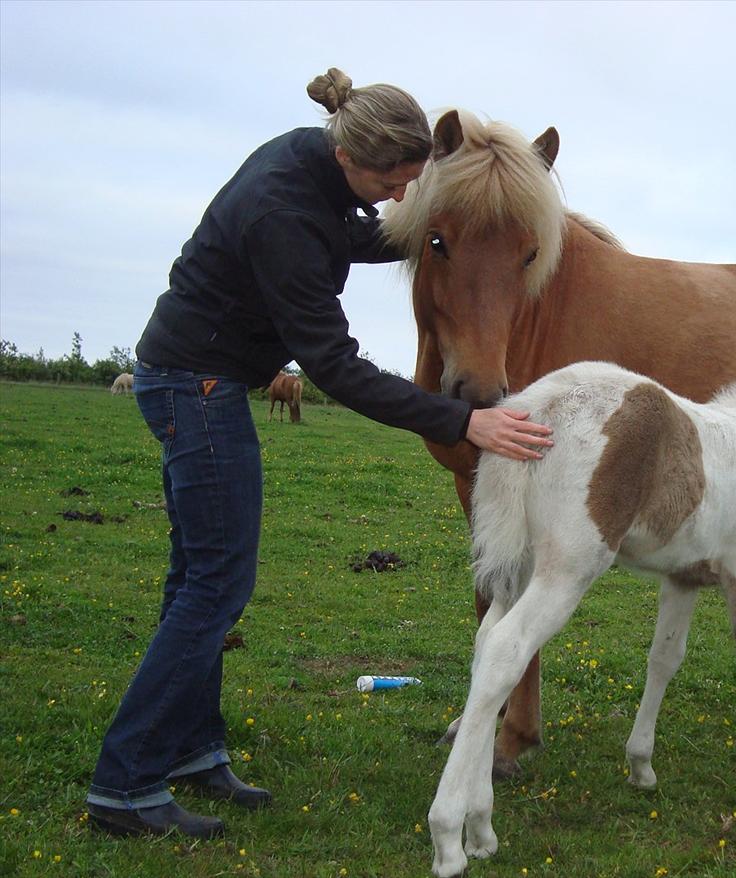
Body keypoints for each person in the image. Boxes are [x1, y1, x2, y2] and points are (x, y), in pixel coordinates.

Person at [85, 68, 553, 839]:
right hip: (195, 391)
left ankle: (192, 751)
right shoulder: (283, 212)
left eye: (414, 184)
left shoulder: (313, 166)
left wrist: (469, 228)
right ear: (352, 163)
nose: (400, 200)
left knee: (196, 583)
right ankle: (125, 783)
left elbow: (368, 231)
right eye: (394, 183)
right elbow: (333, 365)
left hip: (199, 383)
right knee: (215, 587)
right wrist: (460, 422)